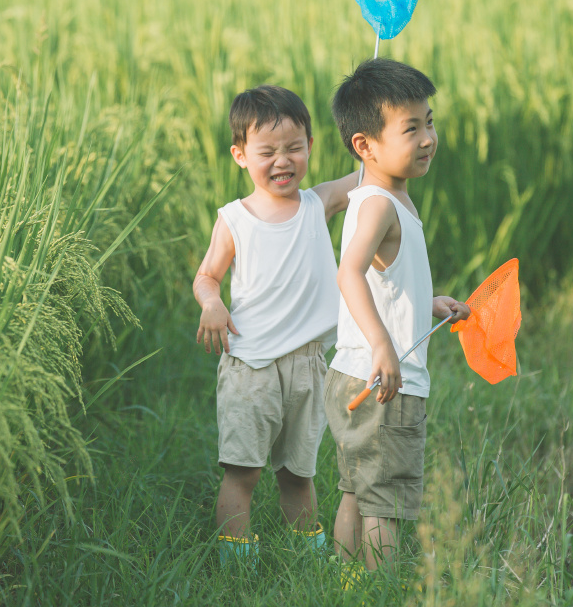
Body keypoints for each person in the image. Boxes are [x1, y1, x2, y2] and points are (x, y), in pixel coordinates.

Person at [193, 84, 359, 567]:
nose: (282, 160)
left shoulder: (317, 204)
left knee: (298, 473)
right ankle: (236, 566)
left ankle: (306, 560)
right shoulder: (235, 219)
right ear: (241, 155)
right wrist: (211, 303)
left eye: (294, 148)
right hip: (251, 365)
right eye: (268, 151)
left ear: (310, 147)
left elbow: (369, 173)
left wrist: (375, 124)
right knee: (242, 472)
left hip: (308, 366)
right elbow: (207, 275)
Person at [323, 58, 470, 573]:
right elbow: (350, 273)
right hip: (383, 381)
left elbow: (384, 281)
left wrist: (427, 304)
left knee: (356, 490)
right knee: (384, 501)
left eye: (429, 121)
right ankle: (376, 588)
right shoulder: (381, 203)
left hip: (354, 374)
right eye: (411, 128)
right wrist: (385, 346)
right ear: (365, 145)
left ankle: (346, 583)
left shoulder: (385, 198)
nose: (428, 137)